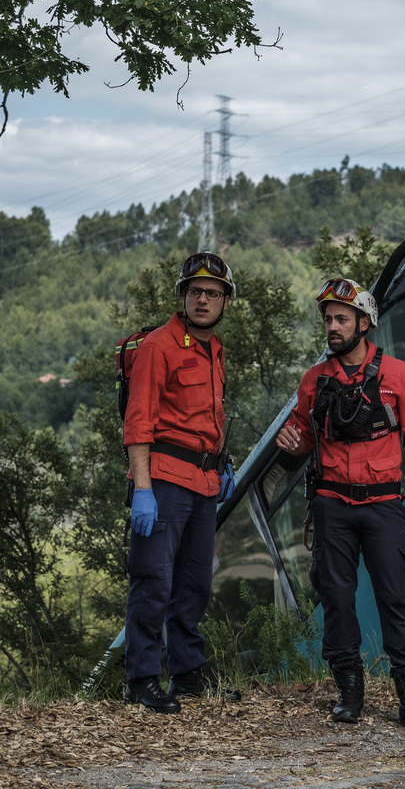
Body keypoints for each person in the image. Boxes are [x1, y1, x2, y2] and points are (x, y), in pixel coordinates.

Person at [275, 278, 405, 731]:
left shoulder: (398, 375)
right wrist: (293, 443)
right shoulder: (314, 381)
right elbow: (301, 439)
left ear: (364, 323)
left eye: (341, 319)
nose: (332, 327)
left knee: (397, 598)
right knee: (337, 599)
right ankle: (349, 694)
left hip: (382, 505)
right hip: (331, 505)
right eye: (328, 320)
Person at [122, 252, 238, 713]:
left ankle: (187, 674)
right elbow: (138, 422)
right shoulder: (159, 346)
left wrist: (223, 463)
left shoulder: (215, 349)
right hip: (164, 480)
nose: (203, 299)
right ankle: (141, 679)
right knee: (153, 579)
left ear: (226, 301)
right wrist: (143, 489)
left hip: (204, 481)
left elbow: (210, 416)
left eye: (212, 293)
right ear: (183, 296)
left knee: (194, 583)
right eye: (195, 291)